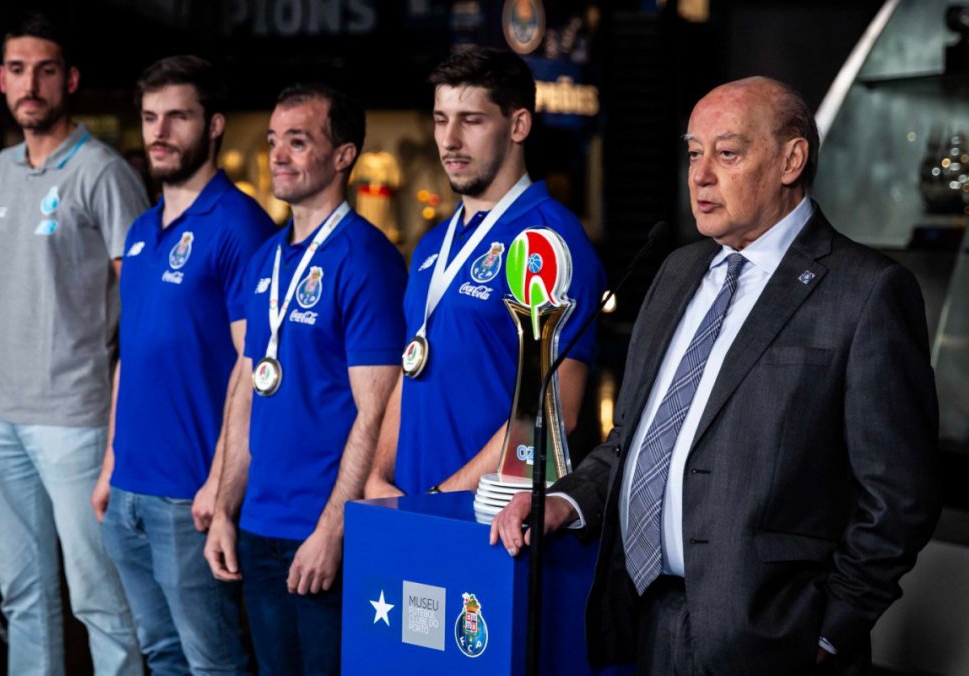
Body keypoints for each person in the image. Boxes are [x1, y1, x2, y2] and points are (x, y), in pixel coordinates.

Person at [491, 76, 940, 675]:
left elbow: (900, 494)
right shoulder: (677, 271)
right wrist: (566, 501)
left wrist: (832, 630)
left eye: (726, 154)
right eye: (693, 153)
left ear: (791, 160)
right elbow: (633, 441)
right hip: (647, 620)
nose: (700, 176)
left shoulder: (867, 291)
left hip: (774, 642)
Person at [204, 83, 406, 675]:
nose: (278, 156)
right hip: (258, 527)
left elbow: (376, 409)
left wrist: (333, 530)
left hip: (321, 532)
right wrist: (225, 509)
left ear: (343, 154)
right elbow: (248, 389)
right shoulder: (264, 258)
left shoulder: (365, 259)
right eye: (273, 141)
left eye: (297, 141)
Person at [91, 55, 272, 675]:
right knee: (161, 656)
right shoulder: (141, 230)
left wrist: (220, 485)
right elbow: (132, 354)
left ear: (214, 125)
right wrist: (110, 466)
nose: (159, 132)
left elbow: (254, 367)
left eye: (177, 117)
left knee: (213, 663)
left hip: (189, 496)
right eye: (149, 118)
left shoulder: (241, 226)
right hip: (129, 490)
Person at [0, 12, 146, 675]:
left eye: (45, 71)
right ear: (1, 79)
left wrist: (122, 415)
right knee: (23, 596)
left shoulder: (102, 172)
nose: (31, 85)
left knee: (100, 598)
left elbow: (143, 304)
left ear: (69, 80)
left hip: (76, 417)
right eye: (18, 70)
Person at [365, 46, 605, 498]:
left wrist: (442, 498)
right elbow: (411, 370)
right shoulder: (432, 245)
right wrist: (377, 474)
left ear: (518, 125)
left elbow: (554, 411)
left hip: (485, 519)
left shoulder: (548, 240)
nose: (449, 140)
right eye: (441, 120)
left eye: (471, 120)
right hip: (413, 510)